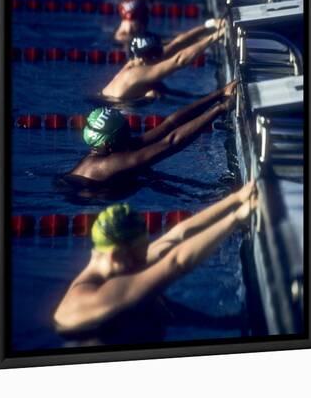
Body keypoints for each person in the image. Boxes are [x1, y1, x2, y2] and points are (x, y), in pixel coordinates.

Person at [53, 181, 258, 337]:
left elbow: (176, 235)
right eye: (140, 255)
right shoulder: (92, 298)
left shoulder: (118, 264)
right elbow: (176, 263)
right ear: (116, 254)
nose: (144, 260)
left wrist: (237, 198)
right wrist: (236, 218)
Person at [64, 80, 237, 187]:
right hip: (84, 194)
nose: (130, 132)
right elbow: (171, 143)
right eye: (125, 130)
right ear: (110, 142)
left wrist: (220, 94)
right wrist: (220, 109)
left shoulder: (112, 146)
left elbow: (169, 125)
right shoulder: (112, 163)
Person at [102, 24, 225, 102]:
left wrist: (209, 26)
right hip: (115, 106)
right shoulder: (136, 74)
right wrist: (214, 37)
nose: (161, 57)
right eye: (157, 55)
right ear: (148, 57)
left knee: (157, 89)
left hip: (114, 100)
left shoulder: (140, 60)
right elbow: (179, 60)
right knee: (155, 92)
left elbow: (176, 44)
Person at [114, 0, 222, 45]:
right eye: (144, 18)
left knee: (173, 38)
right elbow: (174, 42)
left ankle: (211, 31)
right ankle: (212, 32)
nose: (146, 22)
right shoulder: (124, 39)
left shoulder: (131, 35)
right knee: (173, 41)